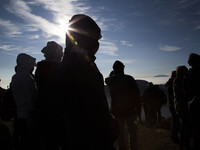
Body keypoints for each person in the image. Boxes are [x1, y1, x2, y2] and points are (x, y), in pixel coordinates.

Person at [56, 14, 117, 150]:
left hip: (91, 137)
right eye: (94, 38)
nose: (97, 44)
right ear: (83, 38)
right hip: (89, 140)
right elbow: (86, 109)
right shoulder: (74, 65)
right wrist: (106, 130)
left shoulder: (80, 61)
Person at [35, 41, 67, 150]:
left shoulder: (40, 68)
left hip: (44, 110)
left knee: (48, 142)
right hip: (62, 111)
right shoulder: (62, 68)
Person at [105, 60, 140, 150]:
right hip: (131, 111)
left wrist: (113, 74)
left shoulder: (110, 80)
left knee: (120, 134)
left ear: (114, 69)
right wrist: (138, 108)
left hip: (117, 112)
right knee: (133, 133)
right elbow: (136, 94)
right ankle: (134, 148)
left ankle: (122, 148)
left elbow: (107, 79)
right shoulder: (129, 79)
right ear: (123, 68)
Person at [11, 53, 37, 150]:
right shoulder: (28, 78)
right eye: (31, 66)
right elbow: (33, 96)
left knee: (19, 139)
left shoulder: (15, 77)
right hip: (29, 115)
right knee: (28, 141)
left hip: (19, 113)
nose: (32, 68)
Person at [184, 53, 200, 150]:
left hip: (191, 104)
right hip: (196, 104)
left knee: (194, 127)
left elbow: (186, 92)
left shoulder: (187, 76)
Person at [173, 65, 189, 150]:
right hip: (181, 106)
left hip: (180, 106)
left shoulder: (178, 80)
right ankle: (183, 145)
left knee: (185, 126)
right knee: (185, 127)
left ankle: (184, 144)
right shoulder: (178, 81)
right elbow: (185, 91)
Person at [165, 70, 180, 144]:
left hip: (171, 104)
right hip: (174, 105)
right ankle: (174, 137)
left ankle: (174, 136)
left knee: (174, 120)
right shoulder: (172, 83)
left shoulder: (169, 83)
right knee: (174, 120)